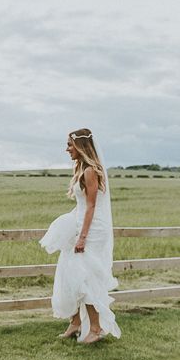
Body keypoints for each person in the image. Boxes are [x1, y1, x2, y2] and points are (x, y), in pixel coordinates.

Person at [40, 128, 121, 344]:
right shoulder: (81, 169)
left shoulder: (90, 171)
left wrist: (82, 237)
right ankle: (75, 323)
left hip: (92, 230)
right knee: (71, 275)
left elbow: (92, 206)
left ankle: (95, 328)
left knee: (86, 278)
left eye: (69, 145)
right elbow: (82, 205)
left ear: (80, 146)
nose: (66, 149)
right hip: (81, 225)